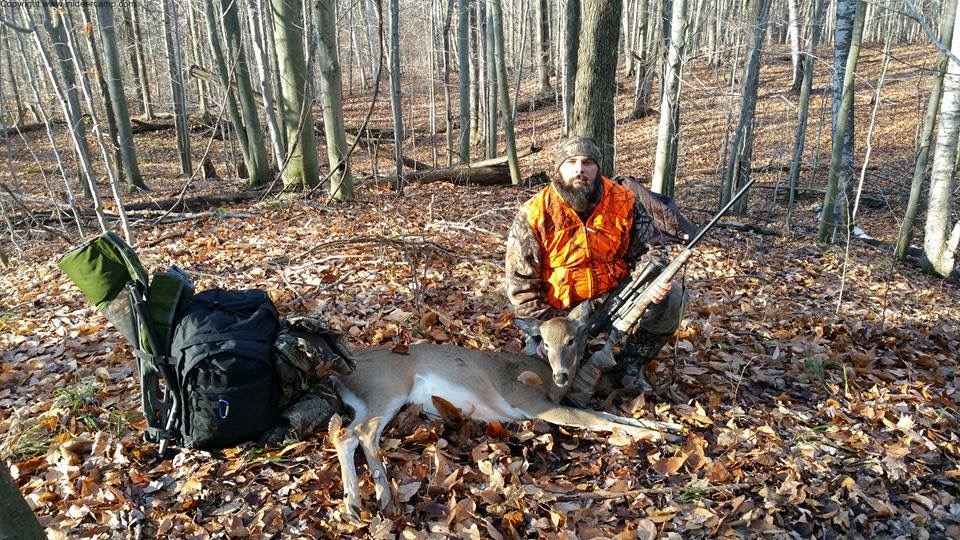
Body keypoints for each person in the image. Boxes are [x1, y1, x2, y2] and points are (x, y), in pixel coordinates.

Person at [504, 136, 686, 405]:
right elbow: (520, 287)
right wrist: (550, 329)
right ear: (558, 169)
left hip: (612, 303)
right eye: (571, 163)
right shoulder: (534, 213)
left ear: (598, 168)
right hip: (557, 316)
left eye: (587, 162)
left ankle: (629, 366)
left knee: (673, 297)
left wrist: (653, 281)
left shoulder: (624, 202)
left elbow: (654, 250)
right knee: (540, 387)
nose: (580, 169)